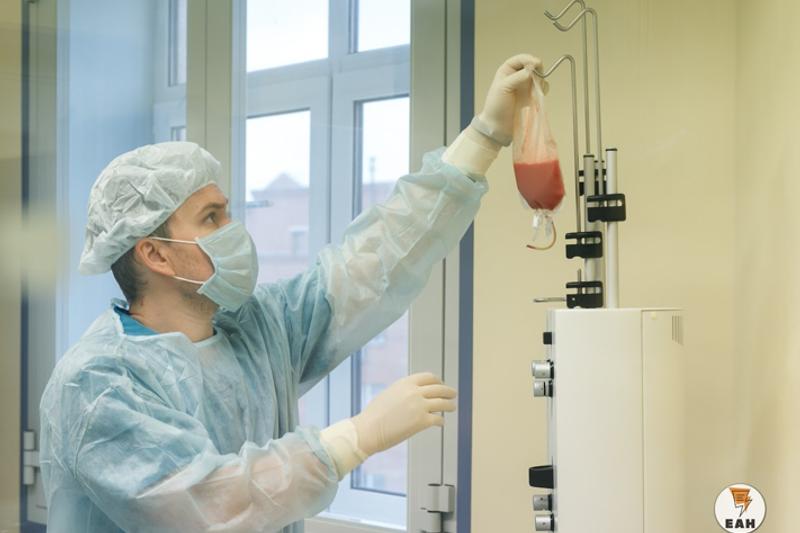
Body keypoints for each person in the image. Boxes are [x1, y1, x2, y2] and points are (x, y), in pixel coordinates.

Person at [39, 54, 544, 533]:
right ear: (156, 254)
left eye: (227, 211)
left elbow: (373, 264)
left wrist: (484, 136)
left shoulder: (257, 330)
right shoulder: (98, 386)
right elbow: (209, 506)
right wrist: (354, 438)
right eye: (211, 218)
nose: (234, 229)